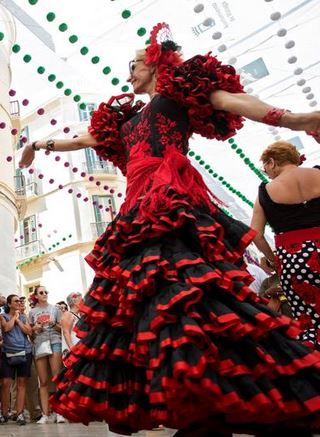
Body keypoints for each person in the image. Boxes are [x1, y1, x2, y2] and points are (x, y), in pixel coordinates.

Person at [19, 22, 320, 437]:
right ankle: (194, 402)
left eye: (135, 65)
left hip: (174, 194)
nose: (129, 74)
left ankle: (222, 400)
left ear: (157, 62)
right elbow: (85, 139)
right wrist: (39, 144)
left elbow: (233, 100)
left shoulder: (181, 93)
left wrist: (295, 118)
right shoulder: (124, 120)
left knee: (188, 289)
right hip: (138, 203)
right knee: (150, 299)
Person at [251, 140, 320, 350]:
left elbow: (256, 234)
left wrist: (273, 259)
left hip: (294, 259)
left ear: (272, 162)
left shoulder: (266, 191)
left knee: (311, 318)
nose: (267, 174)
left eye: (266, 168)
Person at [28, 285, 64, 424]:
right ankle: (45, 414)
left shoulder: (55, 309)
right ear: (36, 296)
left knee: (56, 378)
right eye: (41, 292)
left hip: (55, 341)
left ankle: (59, 412)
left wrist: (53, 323)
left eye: (46, 292)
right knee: (42, 381)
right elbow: (31, 333)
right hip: (40, 344)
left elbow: (61, 328)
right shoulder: (32, 312)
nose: (44, 294)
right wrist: (35, 328)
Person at [0, 294, 33, 426]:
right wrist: (14, 317)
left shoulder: (24, 317)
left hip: (25, 352)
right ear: (9, 304)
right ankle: (4, 413)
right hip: (8, 353)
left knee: (22, 383)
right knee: (6, 383)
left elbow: (29, 331)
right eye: (16, 301)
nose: (19, 302)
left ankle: (19, 414)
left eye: (20, 300)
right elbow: (6, 328)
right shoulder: (3, 316)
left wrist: (19, 320)